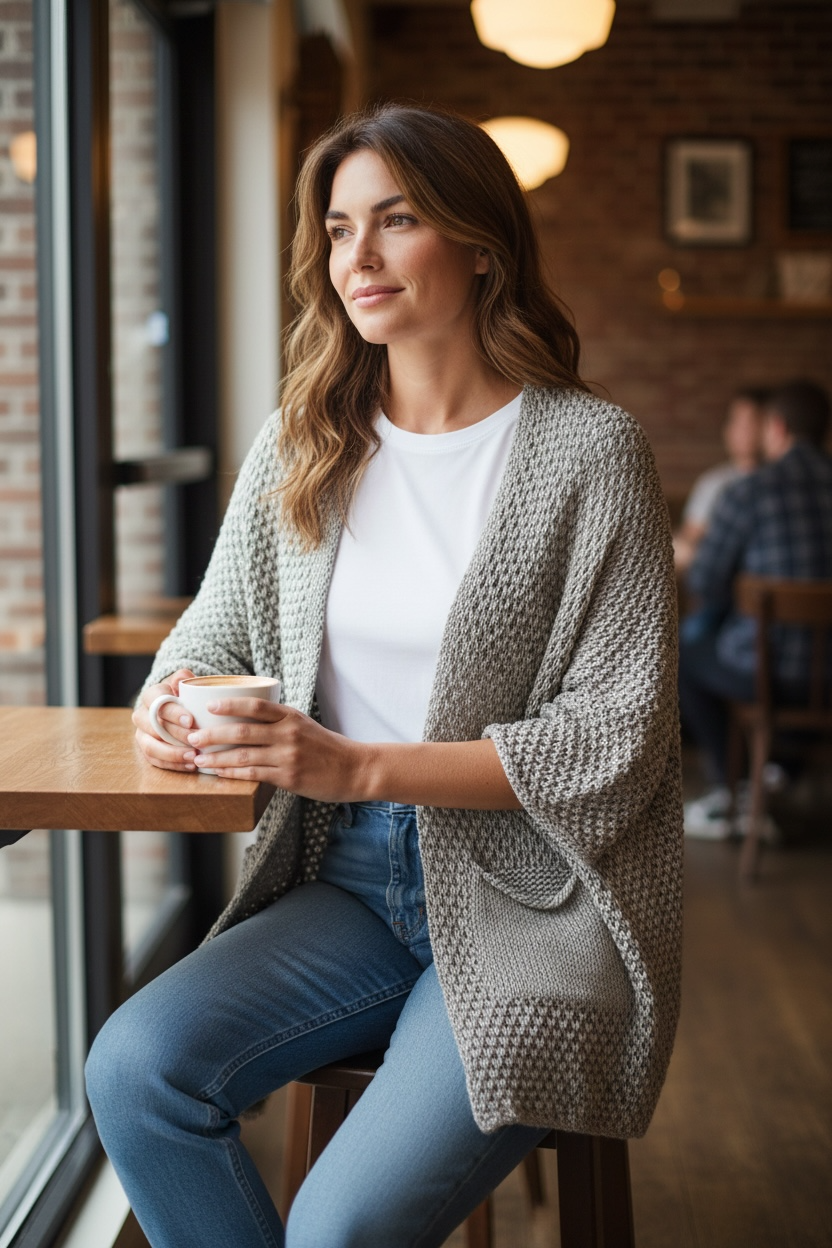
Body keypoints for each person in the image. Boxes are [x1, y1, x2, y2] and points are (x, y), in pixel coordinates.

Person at [85, 104, 683, 1248]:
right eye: (337, 228)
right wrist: (169, 708)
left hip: (540, 901)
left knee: (338, 1228)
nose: (353, 258)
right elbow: (205, 639)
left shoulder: (588, 448)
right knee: (135, 1071)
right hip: (348, 882)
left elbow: (619, 734)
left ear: (478, 243)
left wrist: (354, 762)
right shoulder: (308, 439)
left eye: (395, 221)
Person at [681, 379, 832, 839]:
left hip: (766, 673)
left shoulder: (750, 491)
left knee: (683, 657)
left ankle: (738, 789)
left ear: (776, 428)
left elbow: (705, 579)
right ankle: (781, 774)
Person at [673, 385, 768, 576]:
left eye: (752, 422)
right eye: (736, 422)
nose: (744, 431)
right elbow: (689, 540)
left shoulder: (779, 481)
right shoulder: (713, 483)